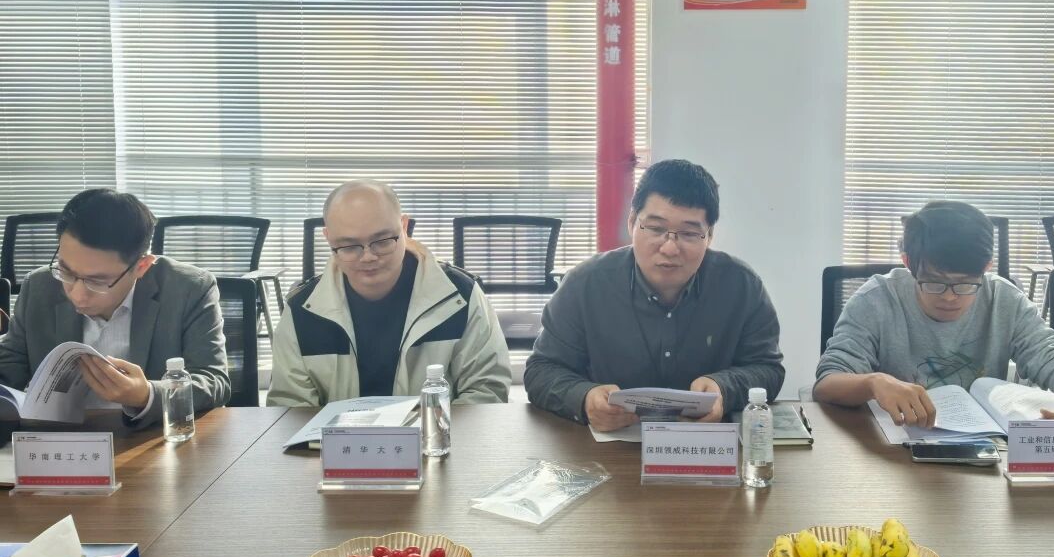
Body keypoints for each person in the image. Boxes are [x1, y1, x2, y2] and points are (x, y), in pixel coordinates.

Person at [524, 159, 785, 430]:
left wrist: (724, 389)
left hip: (706, 445)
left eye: (689, 233)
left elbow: (768, 369)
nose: (669, 248)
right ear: (631, 223)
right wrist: (584, 398)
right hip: (608, 448)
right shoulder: (585, 285)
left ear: (709, 236)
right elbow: (541, 370)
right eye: (656, 229)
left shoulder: (741, 286)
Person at [813, 200, 1054, 426]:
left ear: (986, 268)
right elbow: (826, 384)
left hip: (982, 453)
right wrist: (874, 383)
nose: (950, 296)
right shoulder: (876, 299)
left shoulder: (1003, 299)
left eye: (965, 284)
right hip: (895, 448)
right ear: (908, 263)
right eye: (935, 283)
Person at [267, 180, 510, 406]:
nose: (368, 257)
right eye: (349, 246)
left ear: (403, 227)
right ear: (329, 238)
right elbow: (290, 409)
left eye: (382, 241)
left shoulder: (460, 296)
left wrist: (433, 433)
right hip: (333, 440)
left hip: (437, 437)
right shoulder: (302, 311)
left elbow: (486, 391)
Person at [0, 189, 229, 426]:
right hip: (59, 437)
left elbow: (214, 381)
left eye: (97, 281)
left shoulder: (189, 288)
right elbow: (9, 368)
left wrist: (146, 395)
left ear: (141, 266)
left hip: (149, 437)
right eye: (66, 271)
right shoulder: (39, 286)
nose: (77, 294)